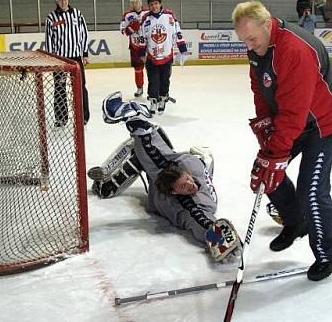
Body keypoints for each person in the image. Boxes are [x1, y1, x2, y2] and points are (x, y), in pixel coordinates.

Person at [232, 0, 332, 282]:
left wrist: (277, 151)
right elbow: (260, 89)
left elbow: (295, 112)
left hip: (322, 123)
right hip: (292, 120)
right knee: (265, 173)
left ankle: (331, 249)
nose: (248, 46)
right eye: (243, 40)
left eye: (251, 38)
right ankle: (295, 222)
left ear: (267, 23)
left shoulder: (295, 50)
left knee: (312, 189)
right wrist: (264, 125)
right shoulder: (259, 48)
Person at [89, 91, 242, 263]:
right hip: (177, 165)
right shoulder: (191, 164)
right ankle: (139, 126)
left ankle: (138, 131)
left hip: (164, 187)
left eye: (187, 182)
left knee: (158, 164)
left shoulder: (187, 194)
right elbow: (167, 159)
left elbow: (199, 219)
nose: (190, 185)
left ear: (175, 191)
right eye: (185, 184)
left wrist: (215, 236)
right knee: (164, 160)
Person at [44, 0, 90, 125]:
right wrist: (53, 59)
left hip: (76, 58)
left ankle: (83, 116)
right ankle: (61, 118)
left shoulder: (77, 14)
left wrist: (85, 53)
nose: (63, 2)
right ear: (56, 0)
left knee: (80, 87)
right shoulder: (51, 18)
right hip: (60, 60)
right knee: (59, 88)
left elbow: (84, 34)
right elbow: (49, 39)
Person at [138, 0, 188, 115]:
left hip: (166, 55)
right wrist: (141, 52)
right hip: (152, 56)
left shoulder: (169, 15)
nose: (154, 6)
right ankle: (153, 100)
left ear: (160, 3)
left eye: (156, 3)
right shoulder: (145, 19)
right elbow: (142, 36)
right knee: (153, 80)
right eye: (151, 5)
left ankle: (162, 98)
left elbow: (177, 32)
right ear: (149, 7)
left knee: (165, 80)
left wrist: (182, 47)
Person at [119, 0, 147, 97]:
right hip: (135, 46)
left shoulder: (148, 12)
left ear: (141, 1)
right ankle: (140, 88)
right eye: (134, 2)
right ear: (131, 3)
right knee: (138, 68)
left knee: (152, 69)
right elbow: (122, 30)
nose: (136, 4)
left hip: (148, 46)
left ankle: (154, 89)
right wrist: (130, 28)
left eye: (138, 1)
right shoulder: (127, 15)